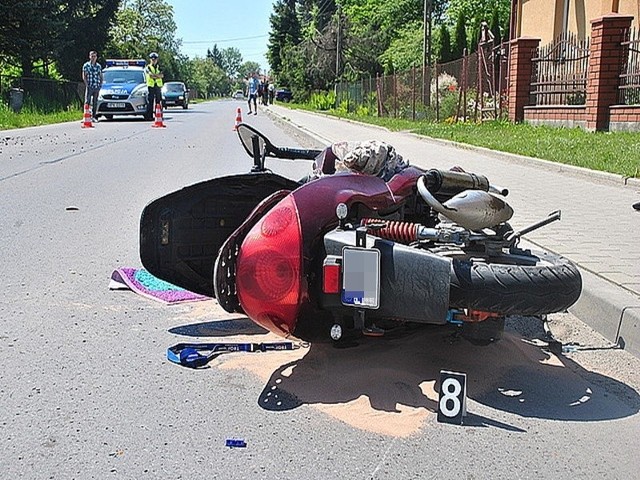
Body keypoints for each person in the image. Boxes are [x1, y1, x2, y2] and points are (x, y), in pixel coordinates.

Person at [82, 51, 103, 120]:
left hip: (96, 86)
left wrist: (100, 85)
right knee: (87, 101)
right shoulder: (86, 65)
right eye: (92, 56)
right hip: (89, 86)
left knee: (95, 102)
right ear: (89, 56)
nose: (93, 58)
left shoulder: (98, 66)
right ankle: (85, 116)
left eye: (94, 56)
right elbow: (84, 76)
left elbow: (101, 76)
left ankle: (94, 116)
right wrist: (87, 84)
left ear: (96, 57)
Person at [144, 52, 164, 119]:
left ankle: (159, 115)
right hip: (151, 86)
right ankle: (150, 116)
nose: (154, 60)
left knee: (159, 101)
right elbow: (150, 75)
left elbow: (162, 75)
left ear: (157, 59)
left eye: (155, 59)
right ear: (150, 60)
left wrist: (155, 76)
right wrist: (157, 76)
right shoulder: (148, 67)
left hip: (158, 86)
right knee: (151, 101)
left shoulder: (159, 67)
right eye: (152, 59)